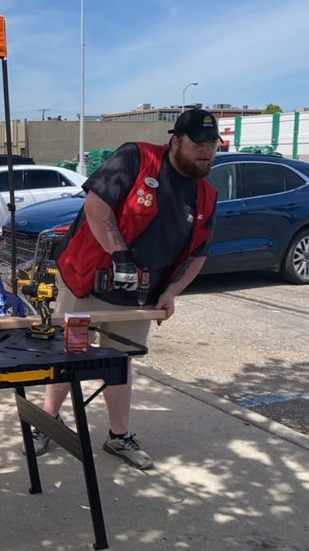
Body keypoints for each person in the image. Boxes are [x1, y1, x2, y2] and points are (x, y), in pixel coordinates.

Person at [30, 108, 220, 469]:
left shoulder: (206, 196)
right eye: (199, 145)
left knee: (119, 363)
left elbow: (198, 254)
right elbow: (96, 207)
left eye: (212, 145)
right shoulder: (136, 157)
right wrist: (120, 255)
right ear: (176, 141)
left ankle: (118, 436)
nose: (206, 153)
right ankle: (47, 421)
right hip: (86, 280)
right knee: (69, 353)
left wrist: (171, 292)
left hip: (139, 296)